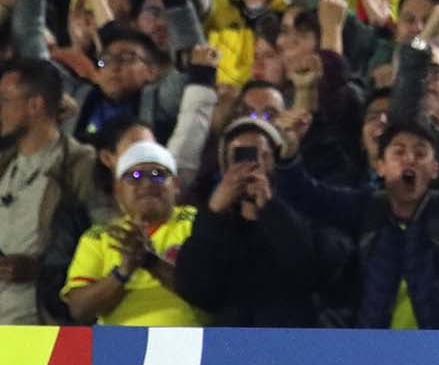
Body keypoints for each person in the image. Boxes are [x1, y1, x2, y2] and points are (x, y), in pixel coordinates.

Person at [273, 115, 439, 329]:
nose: (410, 160)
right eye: (399, 152)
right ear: (381, 166)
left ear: (435, 169)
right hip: (376, 352)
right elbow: (308, 197)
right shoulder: (367, 208)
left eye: (420, 153)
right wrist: (289, 154)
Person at [173, 116, 352, 327]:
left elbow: (313, 271)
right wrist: (213, 214)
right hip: (234, 347)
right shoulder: (215, 228)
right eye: (240, 158)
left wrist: (271, 208)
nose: (252, 166)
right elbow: (196, 290)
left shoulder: (307, 214)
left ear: (275, 161)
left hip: (295, 343)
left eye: (262, 155)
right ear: (225, 169)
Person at [0, 58, 113, 324]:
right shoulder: (5, 164)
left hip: (44, 325)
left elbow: (106, 238)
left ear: (35, 105)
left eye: (4, 99)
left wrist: (45, 270)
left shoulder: (79, 164)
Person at [60, 140, 204, 326]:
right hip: (120, 348)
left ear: (175, 184)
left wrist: (151, 262)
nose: (147, 183)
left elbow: (211, 291)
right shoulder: (99, 237)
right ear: (118, 190)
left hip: (191, 344)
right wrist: (122, 272)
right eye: (134, 176)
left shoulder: (198, 223)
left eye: (157, 174)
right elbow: (79, 309)